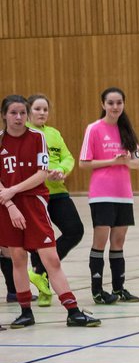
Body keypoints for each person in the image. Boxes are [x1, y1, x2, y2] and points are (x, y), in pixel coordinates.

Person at [0, 95, 100, 328]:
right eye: (13, 113)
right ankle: (26, 312)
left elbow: (42, 172)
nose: (18, 117)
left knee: (51, 259)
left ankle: (73, 311)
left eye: (22, 113)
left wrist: (13, 191)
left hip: (33, 203)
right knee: (17, 258)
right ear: (4, 115)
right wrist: (10, 204)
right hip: (6, 206)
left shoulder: (38, 137)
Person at [80, 87, 139, 305]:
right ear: (103, 105)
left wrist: (125, 160)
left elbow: (137, 163)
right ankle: (97, 290)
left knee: (119, 241)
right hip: (102, 194)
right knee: (101, 240)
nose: (115, 107)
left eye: (119, 103)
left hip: (123, 194)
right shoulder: (94, 129)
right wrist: (111, 161)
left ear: (123, 104)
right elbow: (84, 163)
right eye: (111, 103)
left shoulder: (128, 130)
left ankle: (119, 288)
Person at [24, 94, 86, 307]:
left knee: (75, 230)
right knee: (38, 241)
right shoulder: (23, 134)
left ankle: (39, 271)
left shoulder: (54, 134)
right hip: (33, 194)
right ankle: (44, 290)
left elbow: (68, 157)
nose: (42, 113)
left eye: (45, 109)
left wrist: (60, 170)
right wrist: (41, 173)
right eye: (37, 109)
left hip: (57, 192)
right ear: (29, 111)